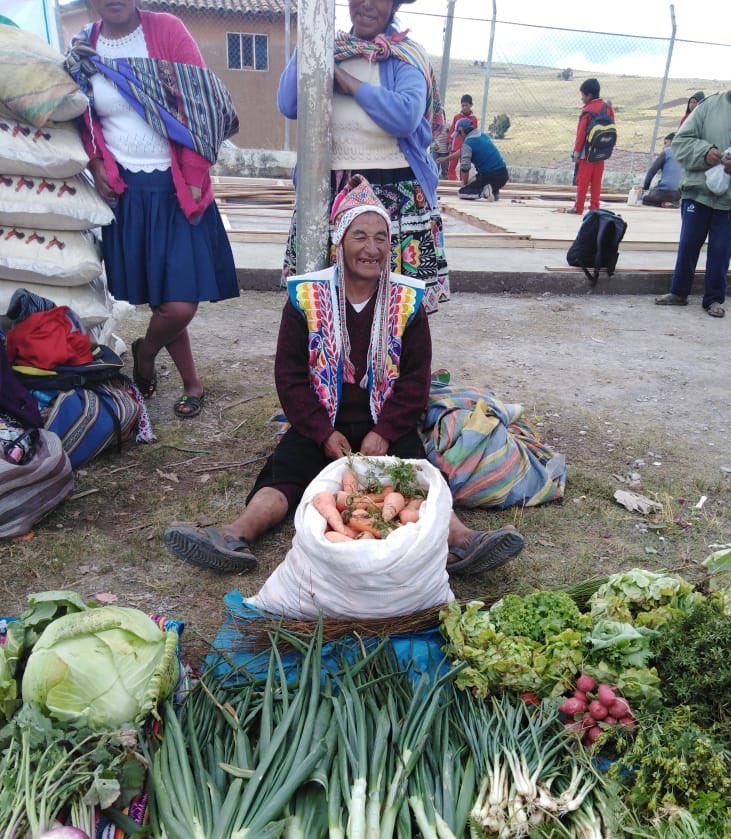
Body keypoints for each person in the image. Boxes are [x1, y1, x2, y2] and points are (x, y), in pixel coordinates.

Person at [163, 176, 524, 576]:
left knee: (418, 475)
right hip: (321, 422)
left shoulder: (408, 301)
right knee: (286, 473)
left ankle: (464, 541)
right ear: (340, 242)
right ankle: (233, 536)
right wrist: (321, 432)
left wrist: (385, 431)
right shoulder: (305, 298)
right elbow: (290, 378)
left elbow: (414, 380)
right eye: (360, 236)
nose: (372, 249)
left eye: (381, 238)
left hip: (383, 423)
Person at [64, 0, 240, 419]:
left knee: (180, 303)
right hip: (129, 192)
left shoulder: (166, 30)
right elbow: (84, 118)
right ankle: (192, 383)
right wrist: (97, 164)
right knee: (163, 297)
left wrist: (194, 176)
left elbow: (199, 105)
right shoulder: (84, 49)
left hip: (177, 185)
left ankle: (145, 354)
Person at [277, 0, 449, 314]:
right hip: (330, 193)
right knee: (325, 306)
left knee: (396, 310)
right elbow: (289, 102)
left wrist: (347, 82)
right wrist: (313, 45)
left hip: (395, 196)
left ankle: (392, 349)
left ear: (394, 4)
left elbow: (405, 116)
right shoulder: (329, 48)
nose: (367, 4)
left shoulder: (405, 55)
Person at [655, 51, 731, 318]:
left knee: (722, 250)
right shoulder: (709, 106)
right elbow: (681, 141)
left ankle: (713, 299)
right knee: (688, 244)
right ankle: (678, 292)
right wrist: (705, 152)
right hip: (698, 191)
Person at [569, 77, 615, 214]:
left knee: (583, 180)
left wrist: (576, 153)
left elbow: (581, 133)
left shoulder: (587, 111)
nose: (582, 98)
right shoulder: (607, 108)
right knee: (596, 181)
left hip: (587, 152)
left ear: (589, 95)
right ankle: (594, 208)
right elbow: (612, 124)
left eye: (583, 95)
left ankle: (578, 208)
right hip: (602, 151)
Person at [446, 120, 509, 200]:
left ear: (462, 131)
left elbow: (465, 167)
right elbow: (462, 151)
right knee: (473, 182)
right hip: (503, 175)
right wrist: (446, 159)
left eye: (458, 135)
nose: (459, 138)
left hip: (489, 176)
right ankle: (493, 191)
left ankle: (485, 192)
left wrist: (465, 185)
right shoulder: (483, 136)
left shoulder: (468, 143)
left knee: (462, 193)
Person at [641, 133, 683, 207]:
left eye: (665, 143)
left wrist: (645, 187)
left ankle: (663, 203)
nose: (664, 146)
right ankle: (673, 203)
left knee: (645, 199)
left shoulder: (667, 152)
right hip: (678, 194)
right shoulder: (684, 154)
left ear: (672, 142)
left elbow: (652, 171)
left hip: (664, 191)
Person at [443, 94, 478, 181]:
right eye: (462, 105)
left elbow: (474, 133)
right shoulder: (457, 117)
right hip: (456, 147)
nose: (464, 107)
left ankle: (462, 183)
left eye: (466, 105)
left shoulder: (474, 119)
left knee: (464, 167)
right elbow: (452, 130)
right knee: (452, 167)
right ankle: (451, 183)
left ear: (471, 105)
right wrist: (450, 142)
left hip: (466, 147)